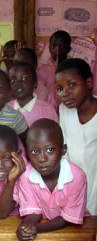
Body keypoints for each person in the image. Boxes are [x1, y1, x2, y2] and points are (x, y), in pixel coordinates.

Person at [16, 119, 89, 241]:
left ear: (63, 150)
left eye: (50, 150)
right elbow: (33, 211)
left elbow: (68, 219)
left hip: (78, 234)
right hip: (49, 234)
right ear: (27, 153)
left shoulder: (76, 176)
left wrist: (37, 229)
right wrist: (27, 227)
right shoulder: (26, 177)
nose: (41, 158)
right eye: (34, 151)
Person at [56, 58, 97, 218]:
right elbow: (64, 151)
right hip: (74, 185)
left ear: (88, 83)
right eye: (60, 88)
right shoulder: (64, 110)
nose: (65, 92)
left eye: (72, 85)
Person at [8, 62, 58, 126]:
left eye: (24, 79)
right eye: (13, 81)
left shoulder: (47, 110)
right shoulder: (6, 109)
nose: (18, 83)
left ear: (35, 83)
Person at [37, 30, 72, 110]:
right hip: (48, 111)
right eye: (53, 46)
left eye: (62, 46)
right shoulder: (42, 70)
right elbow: (40, 95)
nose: (57, 50)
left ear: (69, 49)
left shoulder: (74, 68)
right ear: (49, 48)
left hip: (69, 110)